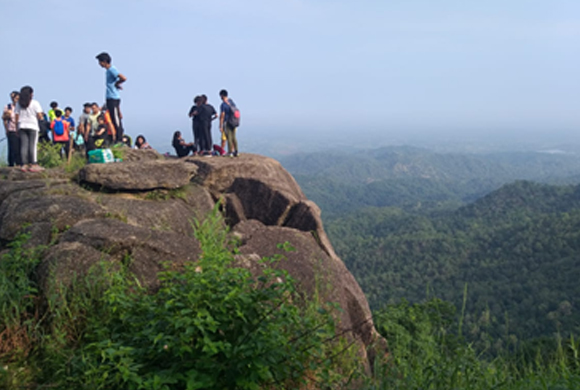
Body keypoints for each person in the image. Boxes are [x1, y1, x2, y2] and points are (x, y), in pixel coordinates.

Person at [96, 52, 126, 143]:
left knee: (116, 120)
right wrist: (117, 84)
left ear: (104, 61)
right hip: (110, 97)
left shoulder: (112, 69)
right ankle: (116, 138)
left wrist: (117, 83)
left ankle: (119, 139)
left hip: (113, 98)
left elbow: (123, 78)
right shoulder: (108, 71)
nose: (99, 64)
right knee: (113, 119)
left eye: (100, 62)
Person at [14, 86, 44, 172]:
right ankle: (34, 164)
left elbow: (16, 116)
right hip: (32, 126)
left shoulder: (18, 104)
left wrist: (16, 128)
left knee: (24, 145)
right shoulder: (35, 103)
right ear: (30, 94)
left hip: (21, 126)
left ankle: (24, 164)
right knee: (32, 145)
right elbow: (40, 116)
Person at [2, 91, 21, 167]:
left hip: (21, 129)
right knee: (13, 147)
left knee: (20, 147)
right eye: (12, 97)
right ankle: (12, 163)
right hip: (12, 129)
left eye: (15, 97)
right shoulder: (8, 107)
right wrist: (6, 129)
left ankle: (20, 162)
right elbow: (4, 119)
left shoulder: (21, 107)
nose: (14, 99)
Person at [219, 89, 239, 157]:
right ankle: (236, 151)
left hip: (227, 122)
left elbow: (222, 115)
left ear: (221, 96)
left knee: (229, 137)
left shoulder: (223, 104)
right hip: (234, 121)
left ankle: (230, 152)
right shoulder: (232, 102)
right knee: (234, 137)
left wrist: (220, 125)